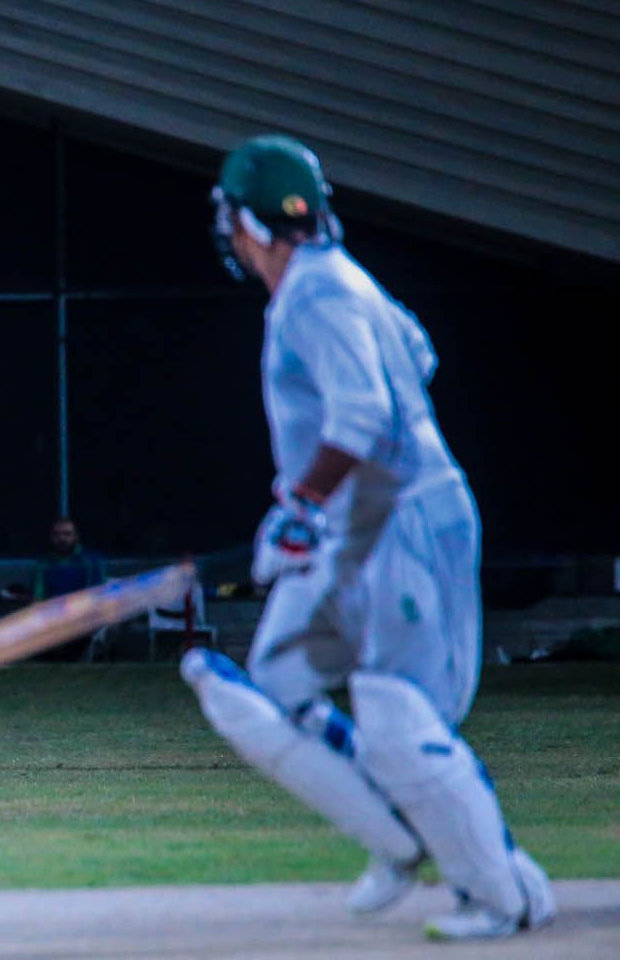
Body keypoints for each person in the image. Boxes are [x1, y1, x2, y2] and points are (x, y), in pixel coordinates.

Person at [181, 134, 553, 942]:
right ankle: (400, 836)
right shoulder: (333, 282)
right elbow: (419, 352)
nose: (228, 233)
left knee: (396, 711)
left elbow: (366, 414)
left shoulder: (317, 294)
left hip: (401, 519)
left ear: (250, 221)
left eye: (231, 216)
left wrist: (304, 502)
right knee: (273, 683)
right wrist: (310, 497)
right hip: (358, 521)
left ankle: (500, 894)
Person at [32, 517, 106, 600]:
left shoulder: (92, 561)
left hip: (83, 606)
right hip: (53, 606)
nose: (61, 538)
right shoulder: (43, 562)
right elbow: (38, 596)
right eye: (56, 534)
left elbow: (97, 596)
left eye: (67, 534)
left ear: (76, 536)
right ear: (51, 537)